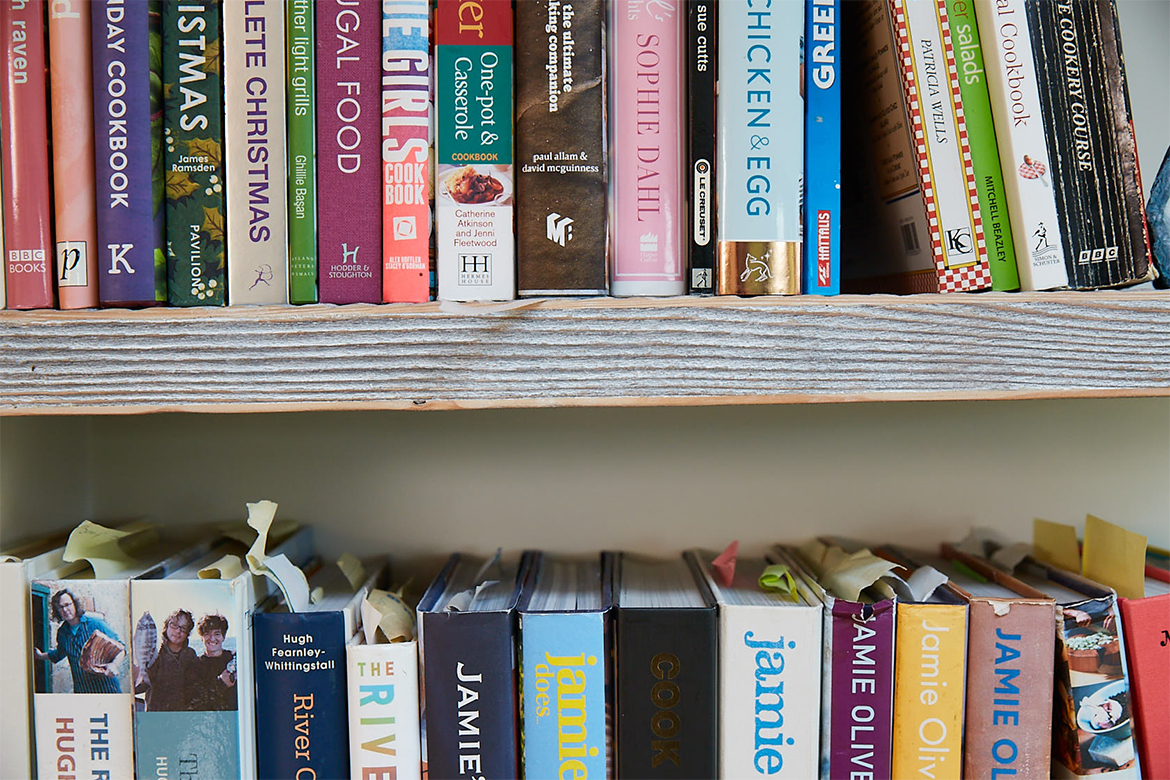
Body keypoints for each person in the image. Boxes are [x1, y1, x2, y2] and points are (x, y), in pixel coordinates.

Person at [33, 588, 125, 694]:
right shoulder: (62, 632)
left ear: (75, 604)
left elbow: (121, 648)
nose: (65, 610)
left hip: (106, 688)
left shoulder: (96, 624)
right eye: (60, 607)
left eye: (67, 605)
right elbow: (58, 654)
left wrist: (114, 665)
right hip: (82, 690)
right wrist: (40, 656)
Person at [136, 609, 198, 711]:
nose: (178, 631)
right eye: (174, 625)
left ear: (188, 633)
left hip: (182, 716)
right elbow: (141, 686)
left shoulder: (190, 655)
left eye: (184, 628)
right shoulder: (154, 653)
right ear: (166, 626)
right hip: (157, 716)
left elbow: (194, 688)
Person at [193, 613, 237, 711]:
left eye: (217, 634)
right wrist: (221, 684)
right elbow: (195, 702)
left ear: (223, 637)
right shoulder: (196, 665)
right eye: (207, 634)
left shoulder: (236, 658)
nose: (212, 638)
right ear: (201, 638)